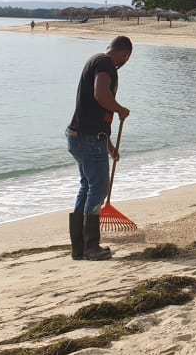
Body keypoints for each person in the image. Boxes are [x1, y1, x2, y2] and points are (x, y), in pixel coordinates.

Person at [66, 35, 132, 261]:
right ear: (125, 54)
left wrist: (109, 145)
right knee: (99, 187)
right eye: (126, 59)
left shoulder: (94, 60)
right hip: (88, 138)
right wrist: (120, 109)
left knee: (86, 187)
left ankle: (79, 248)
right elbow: (100, 94)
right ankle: (91, 246)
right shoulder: (105, 63)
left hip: (80, 136)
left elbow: (94, 111)